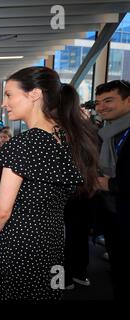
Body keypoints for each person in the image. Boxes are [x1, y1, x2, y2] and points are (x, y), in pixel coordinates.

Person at [0, 66, 98, 300]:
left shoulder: (26, 143)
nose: (5, 104)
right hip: (53, 240)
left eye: (9, 95)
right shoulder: (68, 136)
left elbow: (2, 210)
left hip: (21, 243)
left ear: (34, 94)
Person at [95, 80, 130, 300]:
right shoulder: (109, 133)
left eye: (109, 101)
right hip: (112, 214)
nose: (101, 107)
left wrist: (111, 184)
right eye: (98, 103)